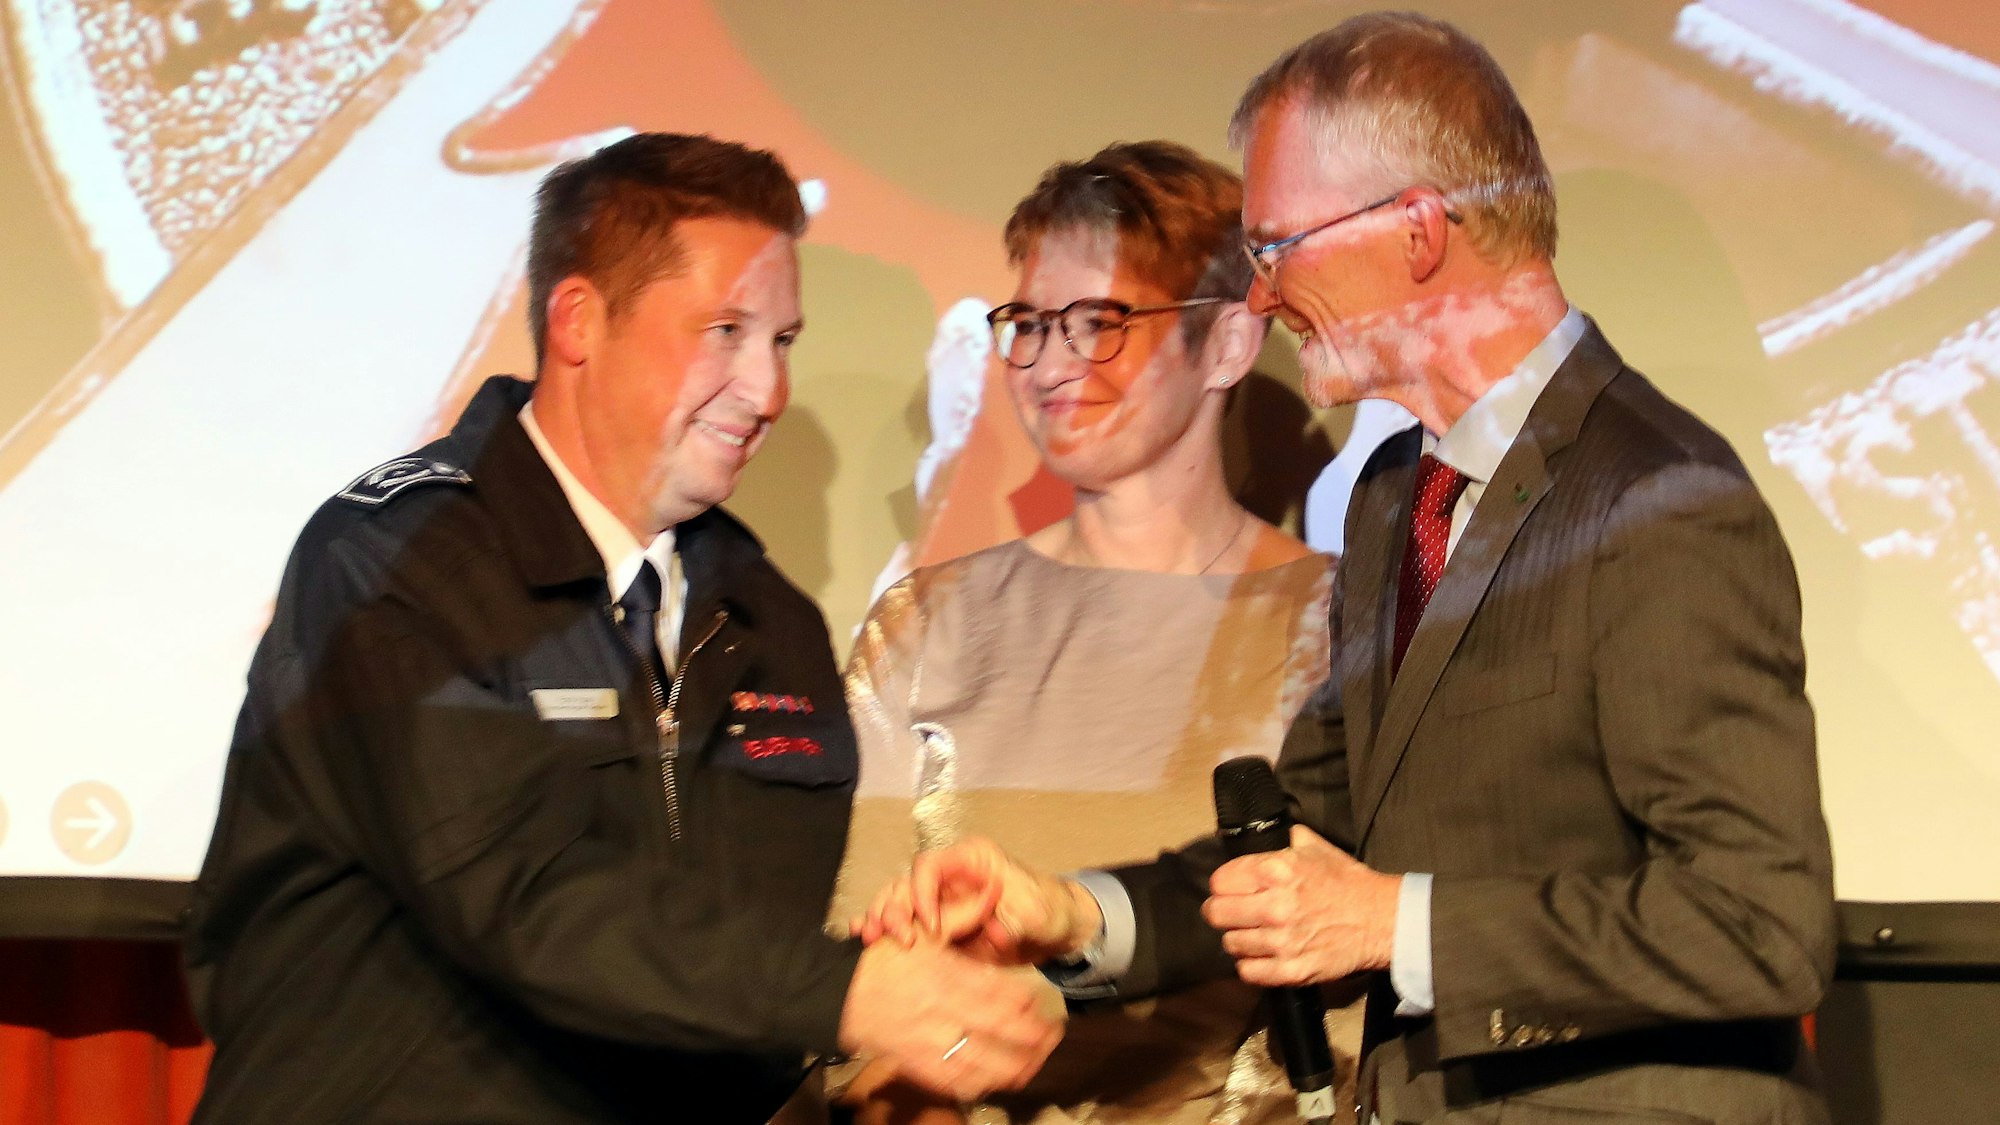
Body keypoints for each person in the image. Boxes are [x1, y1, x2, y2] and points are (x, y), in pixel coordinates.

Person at [864, 15, 1838, 1124]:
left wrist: (1391, 927)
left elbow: (1757, 927)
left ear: (1417, 229)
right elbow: (1307, 833)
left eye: (1277, 247)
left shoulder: (1657, 502)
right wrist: (1074, 916)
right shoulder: (1392, 498)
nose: (1264, 296)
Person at [183, 132, 1061, 1125]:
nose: (767, 391)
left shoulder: (767, 617)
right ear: (578, 321)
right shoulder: (397, 556)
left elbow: (737, 968)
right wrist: (850, 992)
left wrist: (912, 971)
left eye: (780, 342)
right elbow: (518, 896)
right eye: (723, 331)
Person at [835, 141, 1347, 1123]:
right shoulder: (925, 619)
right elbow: (857, 946)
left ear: (1230, 343)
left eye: (1098, 322)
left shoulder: (1338, 622)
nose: (1050, 362)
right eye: (1027, 323)